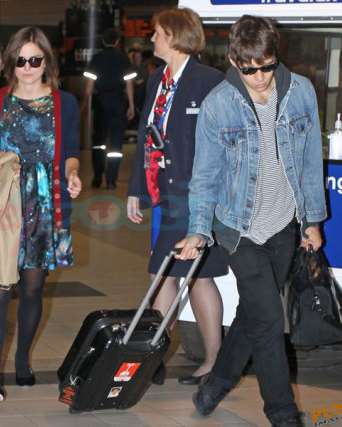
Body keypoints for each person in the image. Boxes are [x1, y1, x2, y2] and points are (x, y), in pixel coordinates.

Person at [176, 15, 326, 427]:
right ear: (234, 61)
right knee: (270, 319)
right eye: (249, 70)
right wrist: (197, 230)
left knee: (253, 313)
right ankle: (283, 414)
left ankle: (215, 386)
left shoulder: (301, 92)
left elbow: (311, 161)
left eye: (267, 66)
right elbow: (204, 176)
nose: (260, 78)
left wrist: (312, 221)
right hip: (237, 228)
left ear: (276, 56)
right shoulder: (218, 104)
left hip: (283, 225)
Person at [0, 26, 82, 407]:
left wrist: (72, 174)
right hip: (4, 203)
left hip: (45, 204)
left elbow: (71, 150)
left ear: (46, 62)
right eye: (20, 60)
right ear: (10, 63)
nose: (27, 67)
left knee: (33, 289)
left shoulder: (64, 103)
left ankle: (22, 358)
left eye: (35, 60)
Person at [127, 7, 227, 386]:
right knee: (176, 273)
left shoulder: (209, 81)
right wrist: (136, 189)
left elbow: (222, 144)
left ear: (173, 36)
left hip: (197, 196)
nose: (151, 38)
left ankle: (201, 360)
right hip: (166, 196)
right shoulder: (156, 79)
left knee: (188, 275)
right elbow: (146, 137)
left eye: (157, 32)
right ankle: (159, 356)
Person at [82, 28, 135, 189]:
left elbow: (89, 86)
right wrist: (131, 105)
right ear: (118, 41)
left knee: (99, 140)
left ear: (103, 41)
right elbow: (129, 84)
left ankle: (98, 176)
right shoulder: (123, 58)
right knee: (116, 141)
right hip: (118, 102)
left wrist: (84, 104)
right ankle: (111, 179)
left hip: (101, 102)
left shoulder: (96, 59)